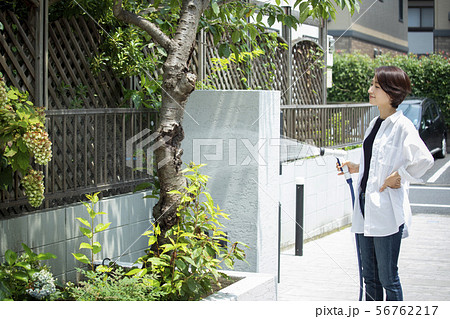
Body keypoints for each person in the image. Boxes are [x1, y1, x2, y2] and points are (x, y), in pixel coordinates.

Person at [338, 66, 434, 301]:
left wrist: (400, 175)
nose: (370, 90)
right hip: (365, 207)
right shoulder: (375, 124)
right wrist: (357, 167)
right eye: (372, 84)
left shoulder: (403, 126)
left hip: (387, 213)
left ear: (392, 93)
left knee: (388, 279)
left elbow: (425, 160)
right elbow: (378, 161)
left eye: (377, 87)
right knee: (369, 278)